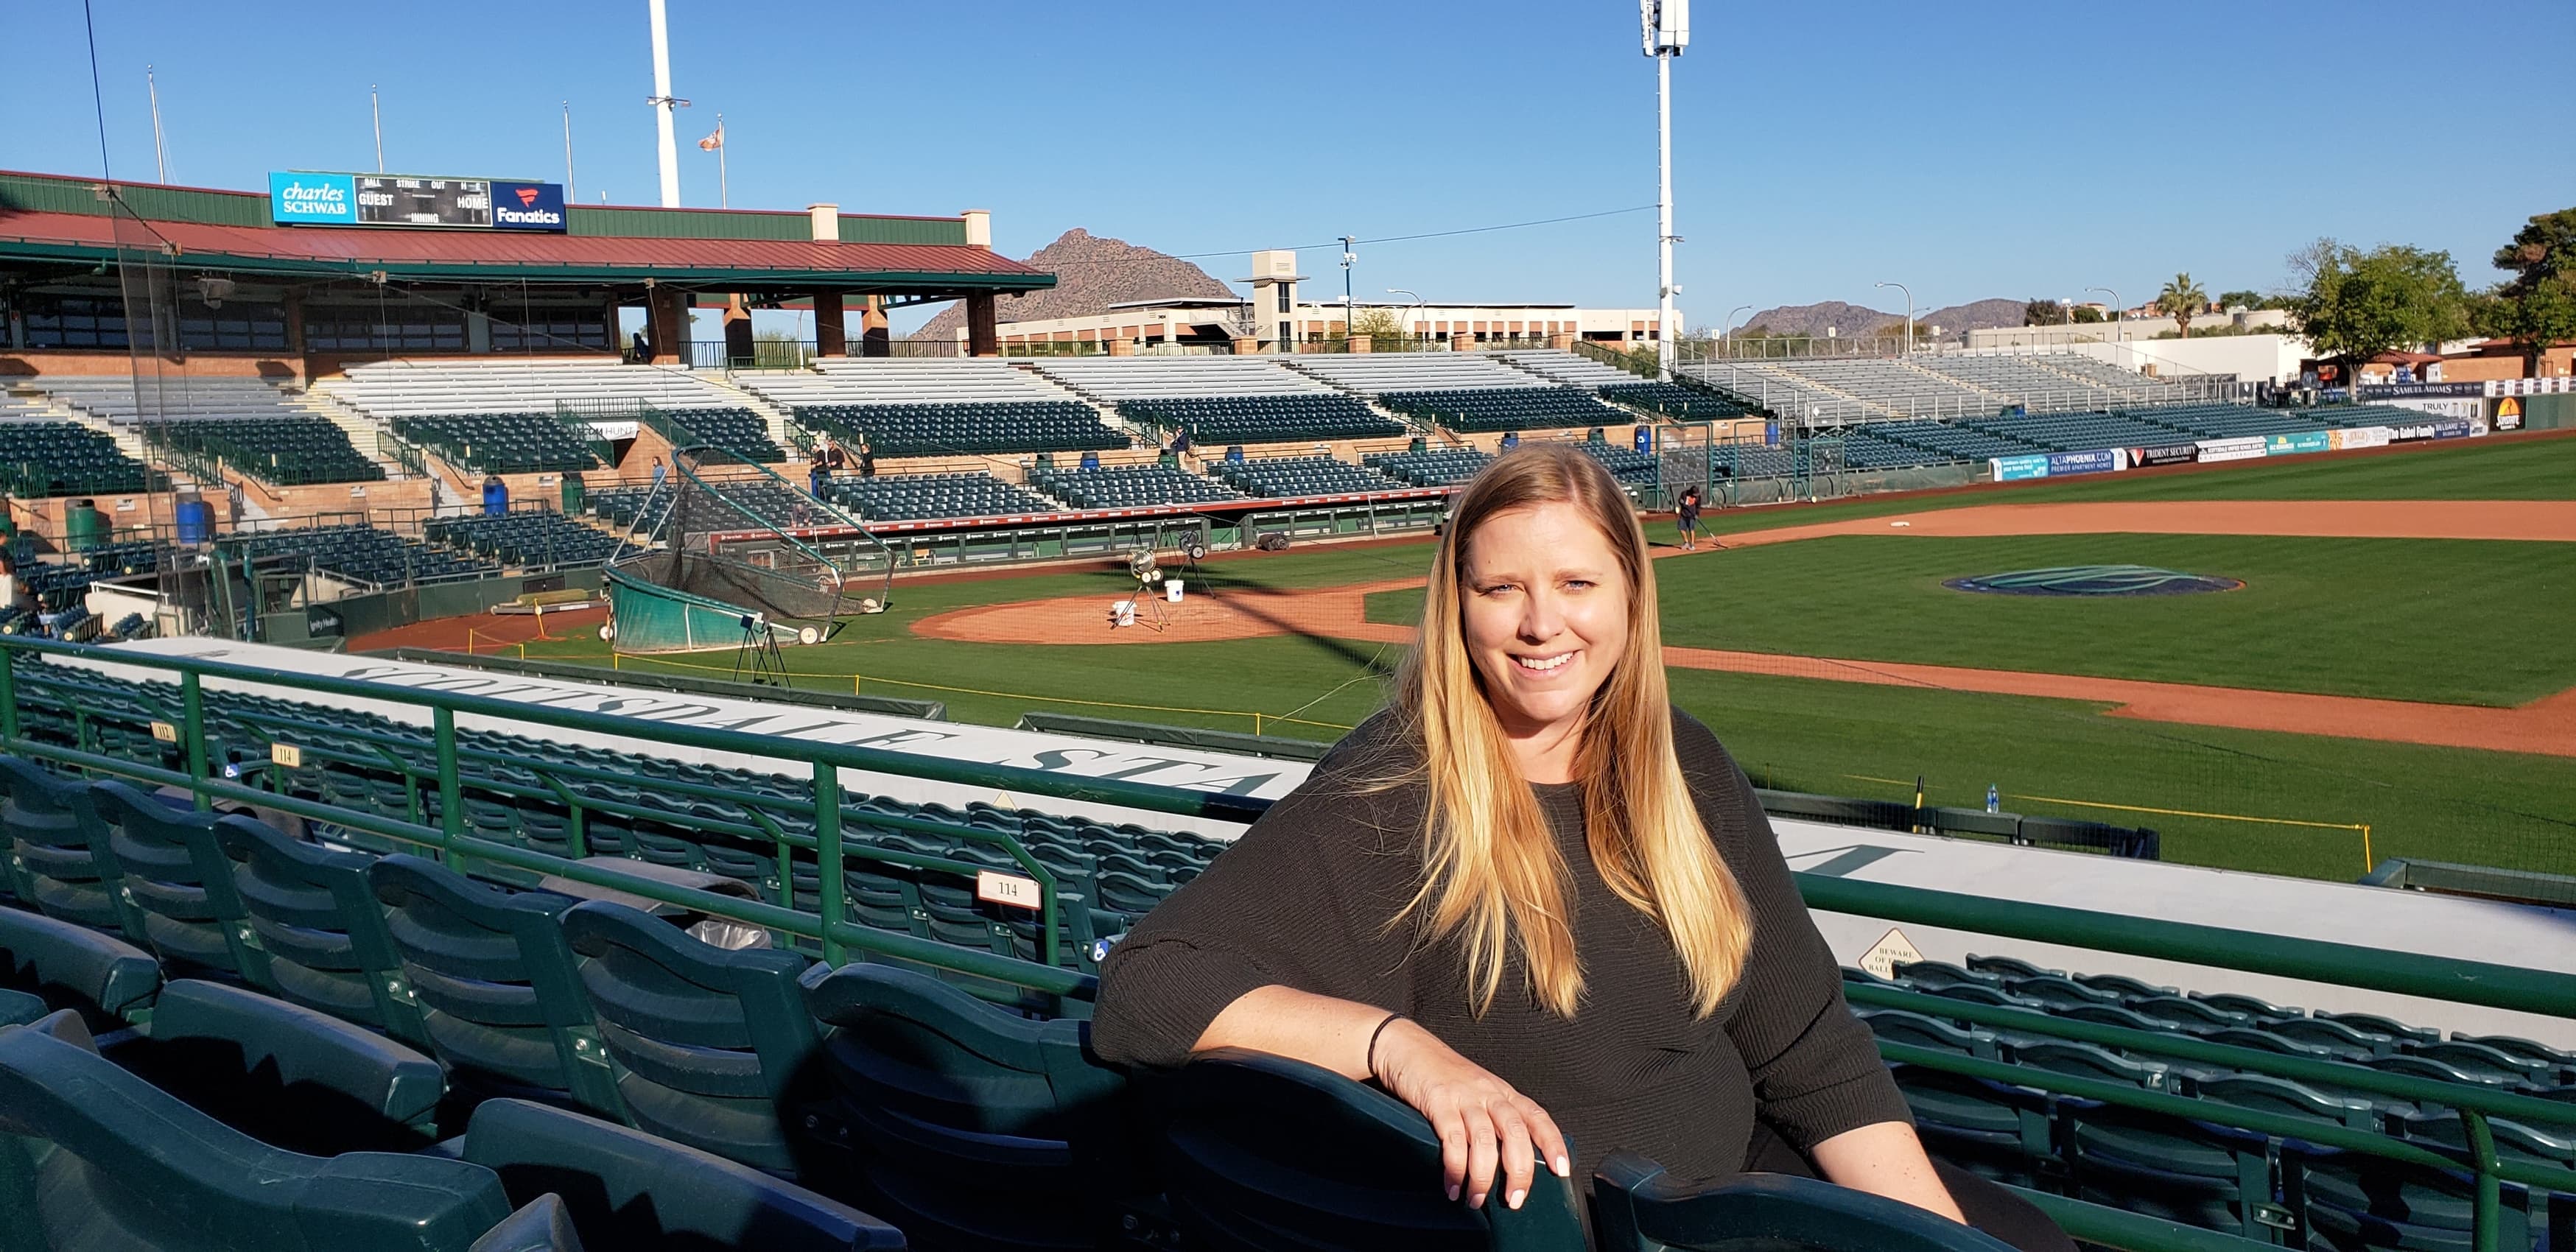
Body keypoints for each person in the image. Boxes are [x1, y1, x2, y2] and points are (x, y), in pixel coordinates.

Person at [1092, 445, 2068, 1251]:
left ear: (1631, 598)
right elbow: (1147, 990)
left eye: (1574, 582)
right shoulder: (1395, 787)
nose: (1539, 623)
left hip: (1751, 1196)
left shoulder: (1685, 762)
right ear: (1457, 605)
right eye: (1501, 588)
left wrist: (1936, 1241)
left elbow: (1809, 1052)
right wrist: (1404, 1052)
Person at [1677, 484, 1704, 551]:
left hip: (1692, 515)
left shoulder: (1698, 497)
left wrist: (1697, 514)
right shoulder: (1684, 494)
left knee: (1691, 529)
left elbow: (1698, 506)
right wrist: (1680, 501)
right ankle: (1686, 542)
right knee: (1681, 528)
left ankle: (1692, 544)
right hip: (1684, 514)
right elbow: (1680, 500)